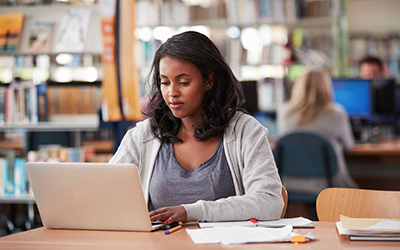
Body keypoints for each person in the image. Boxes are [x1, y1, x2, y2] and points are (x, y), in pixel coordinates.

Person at [110, 31, 283, 225]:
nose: (171, 93)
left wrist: (192, 211)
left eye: (183, 82)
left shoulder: (245, 131)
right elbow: (105, 192)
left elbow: (270, 202)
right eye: (164, 82)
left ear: (208, 81)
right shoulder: (144, 136)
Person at [277, 67, 358, 194]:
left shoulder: (284, 112)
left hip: (289, 182)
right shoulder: (336, 113)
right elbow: (349, 146)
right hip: (328, 184)